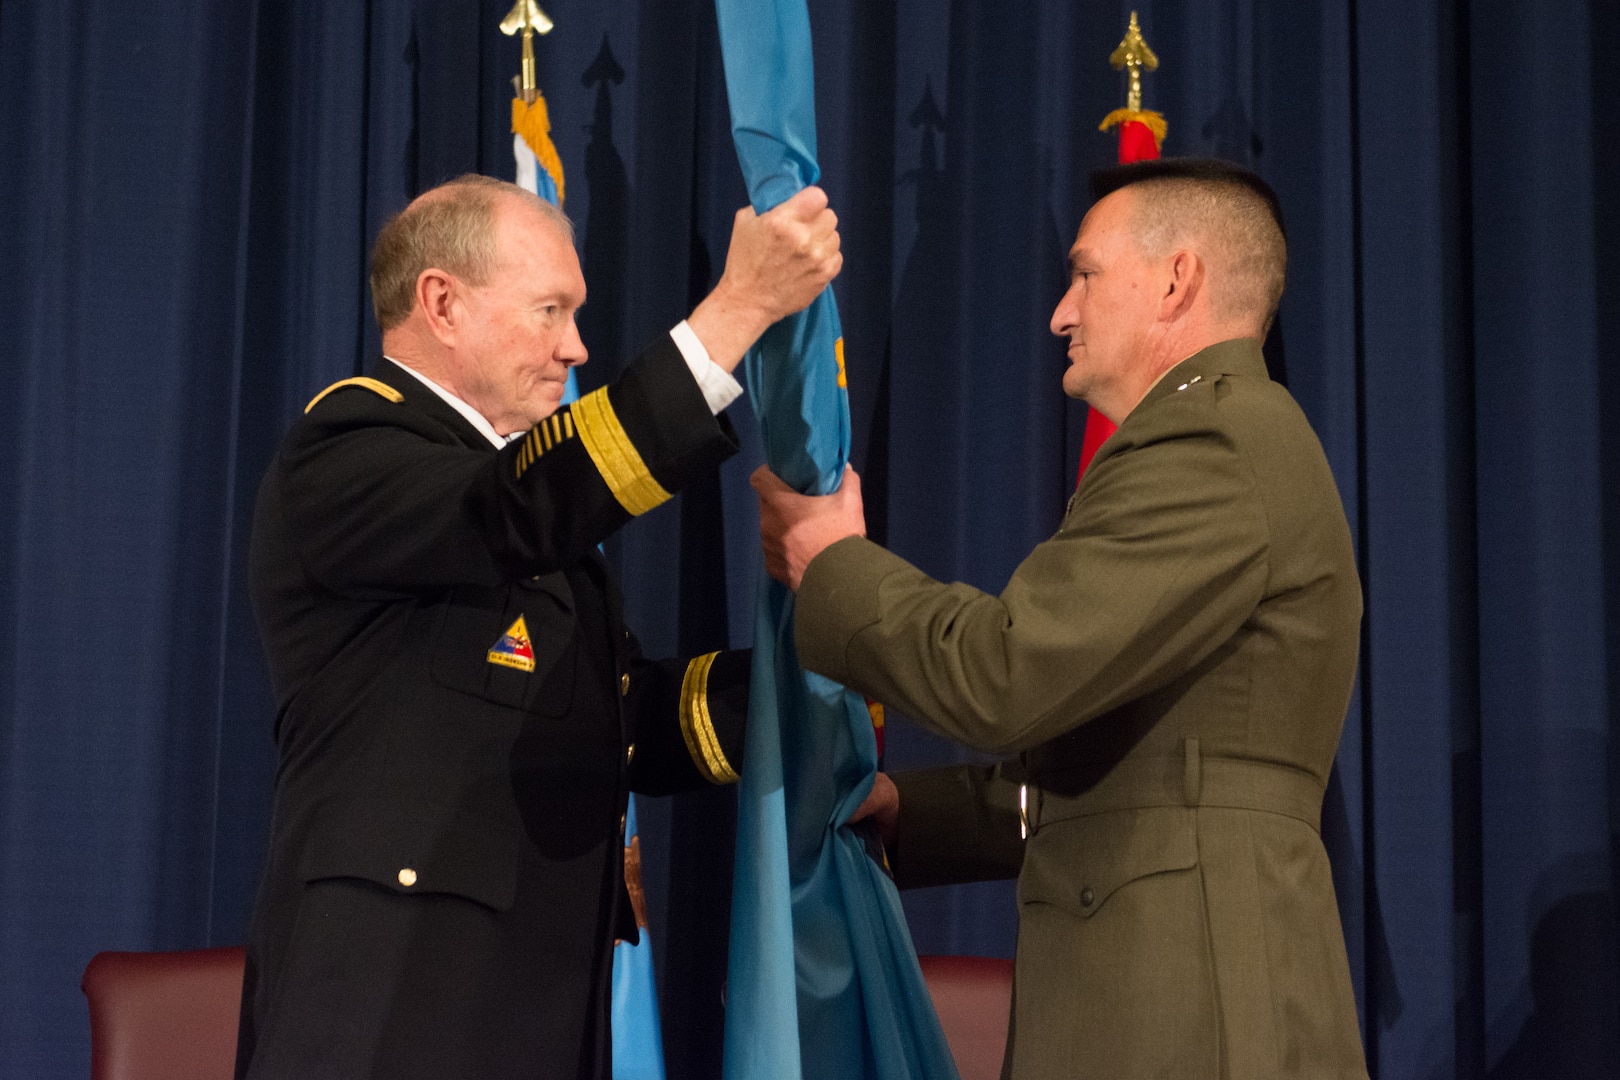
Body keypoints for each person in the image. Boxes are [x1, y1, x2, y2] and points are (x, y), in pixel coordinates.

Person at [753, 158, 1369, 1078]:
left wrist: (831, 565)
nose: (1060, 313)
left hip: (1191, 1013)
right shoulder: (1229, 438)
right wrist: (908, 816)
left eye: (1083, 274)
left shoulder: (1210, 443)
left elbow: (1004, 678)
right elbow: (1136, 775)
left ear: (1177, 280)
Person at [237, 174, 840, 1080]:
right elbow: (518, 507)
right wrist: (740, 307)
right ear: (440, 303)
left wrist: (823, 671)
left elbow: (623, 721)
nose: (575, 345)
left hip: (531, 1011)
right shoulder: (351, 447)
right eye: (550, 309)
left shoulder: (515, 503)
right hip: (387, 1014)